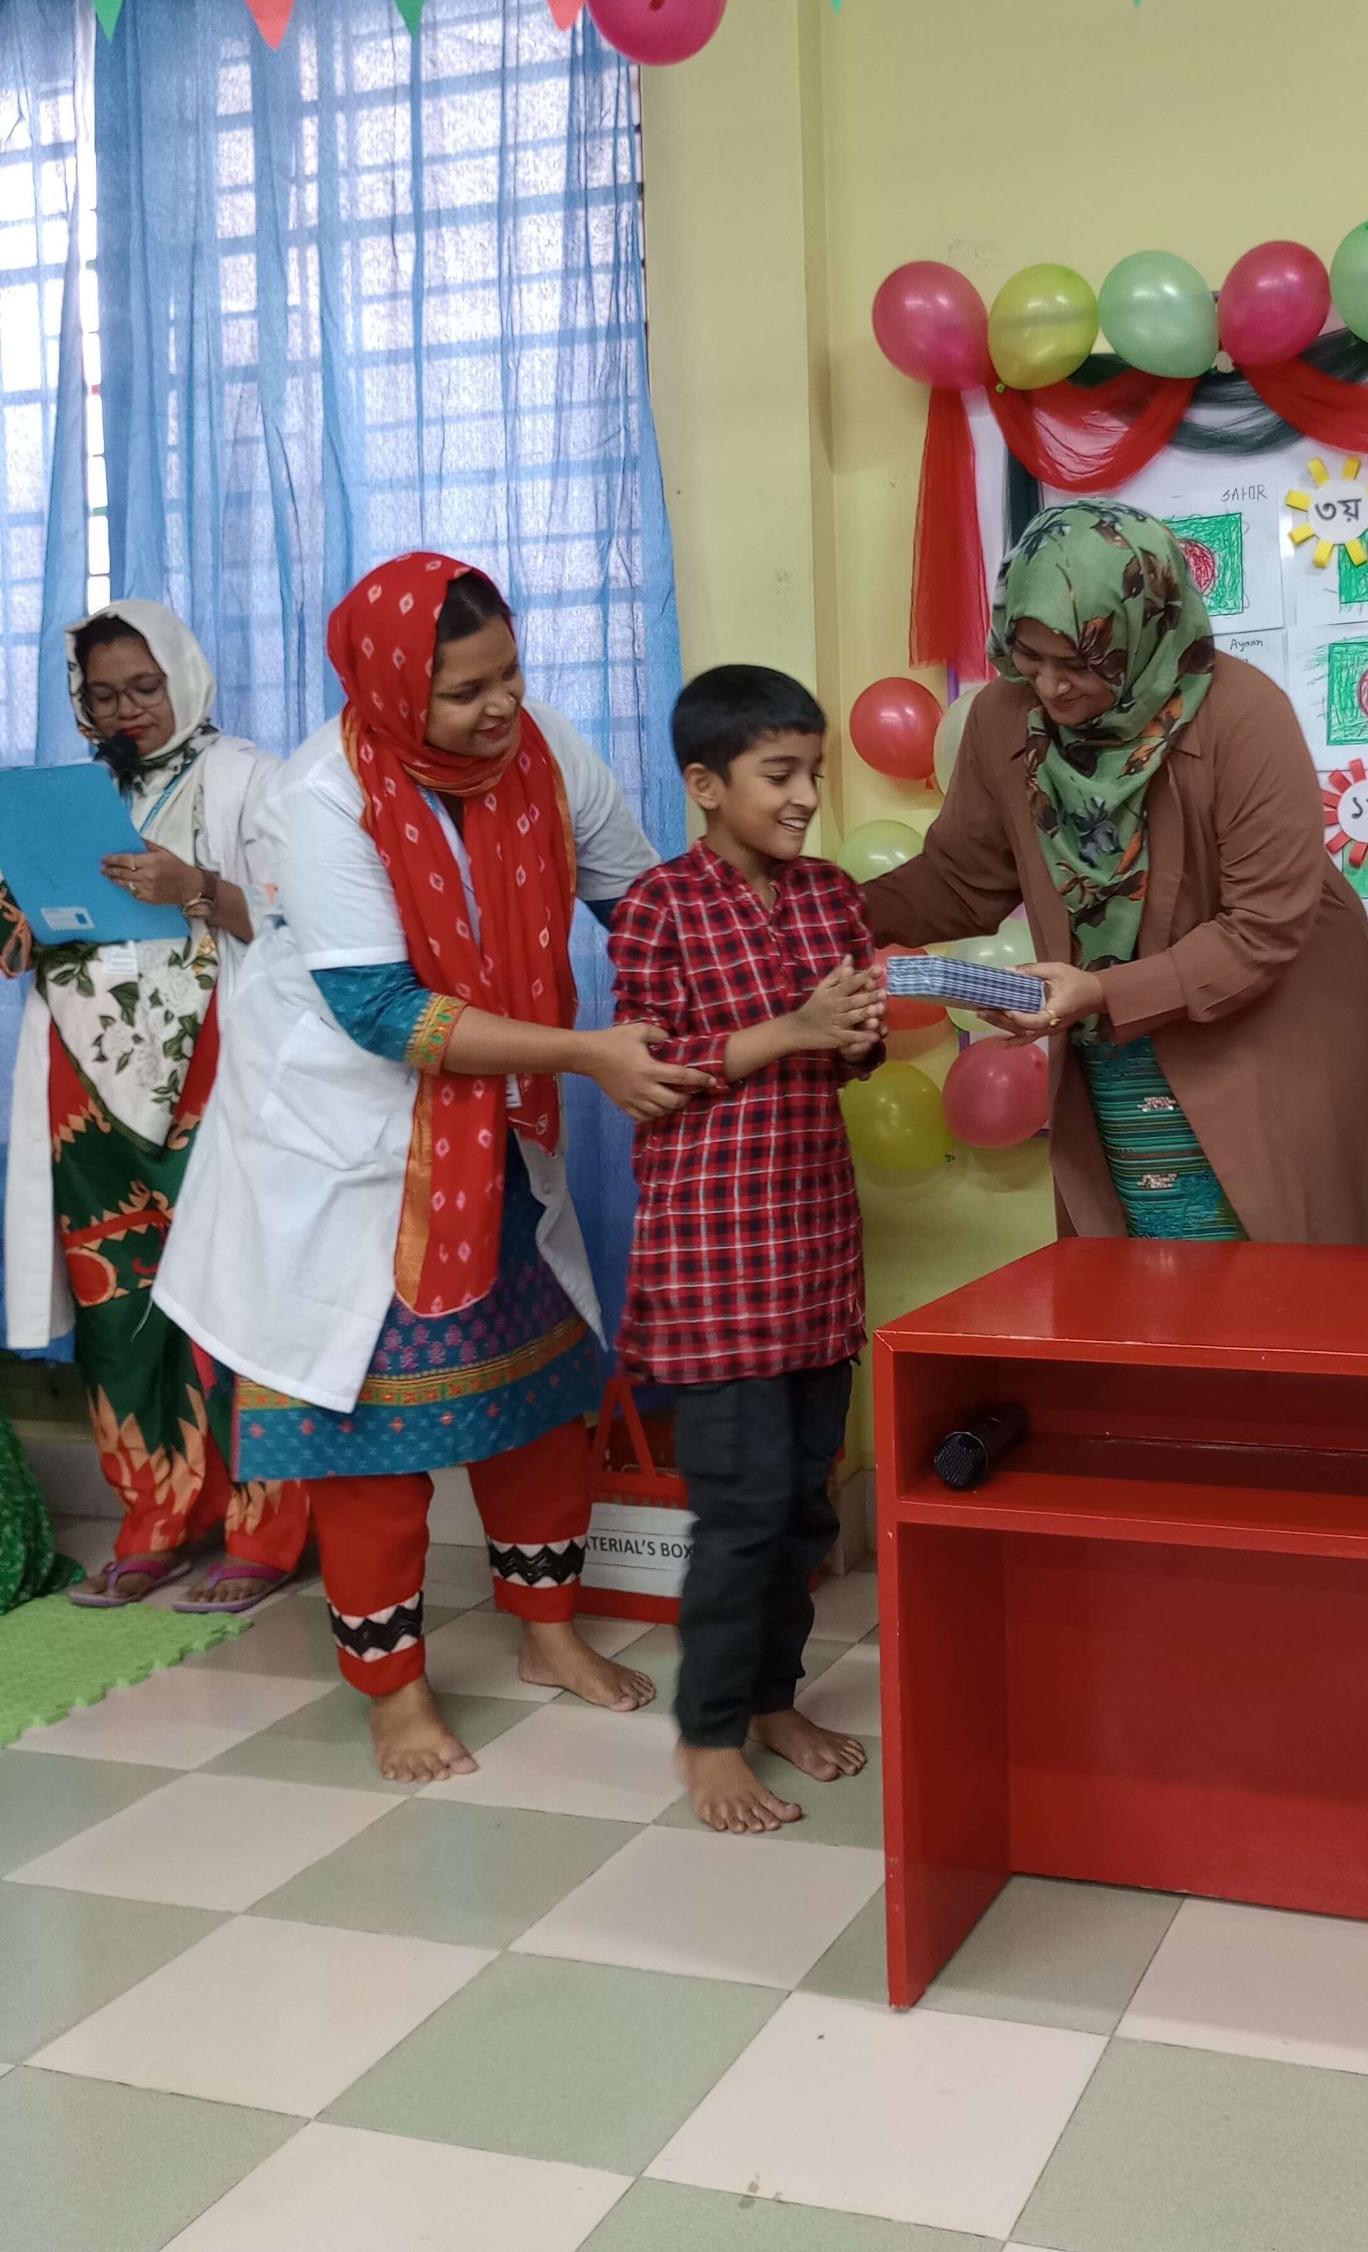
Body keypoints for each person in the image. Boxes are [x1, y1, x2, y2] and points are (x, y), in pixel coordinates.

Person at [154, 555, 712, 1781]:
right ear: (395, 691)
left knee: (539, 1400)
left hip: (492, 1137)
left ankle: (547, 1633)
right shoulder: (320, 796)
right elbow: (381, 1012)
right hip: (346, 1148)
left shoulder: (543, 751)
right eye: (465, 691)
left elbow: (644, 907)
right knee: (368, 1444)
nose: (501, 705)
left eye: (509, 673)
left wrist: (763, 978)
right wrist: (587, 1052)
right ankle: (394, 1692)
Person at [863, 500, 1368, 1245]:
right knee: (1143, 1273)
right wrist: (821, 909)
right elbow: (962, 879)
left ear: (1145, 625)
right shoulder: (1007, 719)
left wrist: (1102, 992)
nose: (1053, 688)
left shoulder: (1240, 714)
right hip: (1117, 1047)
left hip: (1269, 1037)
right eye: (1031, 658)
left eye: (1080, 663)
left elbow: (1263, 929)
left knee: (1279, 1272)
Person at [610, 666, 883, 1834]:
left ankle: (772, 1700)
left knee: (805, 1508)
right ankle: (707, 1734)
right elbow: (651, 1069)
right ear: (705, 783)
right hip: (711, 1267)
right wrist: (797, 1027)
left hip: (814, 1255)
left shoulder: (829, 895)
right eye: (780, 773)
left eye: (814, 771)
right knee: (741, 1511)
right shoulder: (656, 906)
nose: (805, 795)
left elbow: (852, 1053)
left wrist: (856, 1032)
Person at [3, 602, 307, 1610]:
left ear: (183, 676)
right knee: (118, 1305)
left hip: (217, 1069)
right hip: (81, 1082)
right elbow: (29, 926)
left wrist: (194, 886)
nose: (126, 710)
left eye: (144, 686)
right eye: (103, 696)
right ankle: (157, 1517)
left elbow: (311, 924)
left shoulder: (252, 780)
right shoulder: (68, 799)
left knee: (241, 1296)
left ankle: (267, 1530)